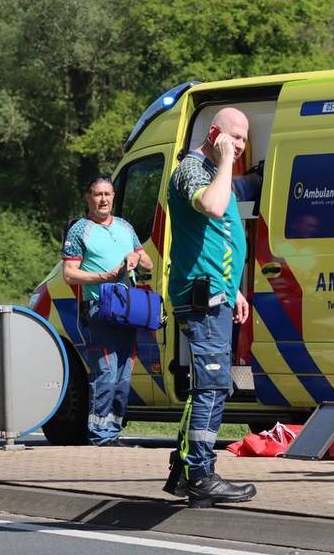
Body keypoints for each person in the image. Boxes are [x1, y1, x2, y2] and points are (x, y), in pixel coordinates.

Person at [161, 107, 256, 507]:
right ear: (215, 133)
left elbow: (219, 238)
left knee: (208, 385)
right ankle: (201, 473)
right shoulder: (192, 170)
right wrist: (227, 162)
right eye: (234, 137)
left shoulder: (217, 172)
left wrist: (232, 288)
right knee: (212, 386)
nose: (240, 146)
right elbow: (213, 208)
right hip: (200, 297)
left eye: (244, 140)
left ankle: (185, 471)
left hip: (216, 292)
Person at [61, 174, 153, 446]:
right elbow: (69, 274)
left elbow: (147, 261)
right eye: (98, 194)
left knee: (124, 373)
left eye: (108, 194)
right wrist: (104, 277)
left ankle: (112, 432)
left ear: (113, 197)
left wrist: (135, 257)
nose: (103, 199)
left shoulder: (125, 226)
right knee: (106, 371)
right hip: (99, 306)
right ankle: (100, 435)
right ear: (88, 198)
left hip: (127, 308)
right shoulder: (80, 229)